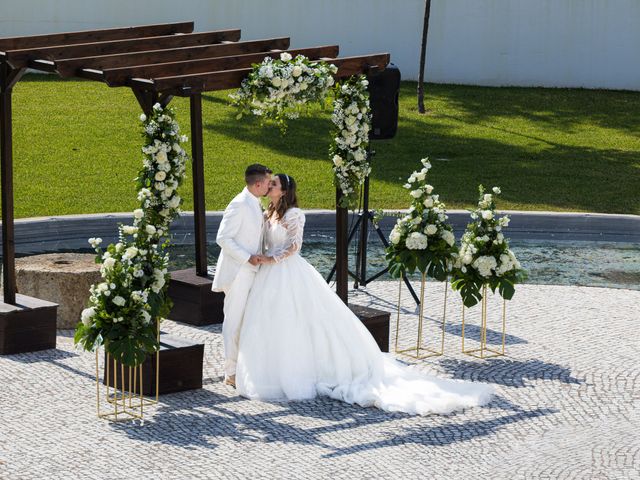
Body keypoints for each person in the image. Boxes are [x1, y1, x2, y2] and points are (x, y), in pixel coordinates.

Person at [234, 173, 494, 415]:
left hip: (286, 272)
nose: (269, 187)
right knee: (268, 322)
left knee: (299, 320)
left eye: (275, 184)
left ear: (285, 191)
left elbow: (294, 246)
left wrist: (271, 259)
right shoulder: (268, 211)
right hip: (269, 276)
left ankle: (299, 372)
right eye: (270, 184)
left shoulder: (294, 214)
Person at [212, 163, 272, 388]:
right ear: (258, 184)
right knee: (234, 321)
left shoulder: (255, 202)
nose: (269, 185)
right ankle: (230, 372)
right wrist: (247, 257)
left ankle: (244, 367)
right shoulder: (238, 204)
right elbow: (223, 238)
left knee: (246, 320)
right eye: (268, 182)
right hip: (238, 271)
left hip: (251, 270)